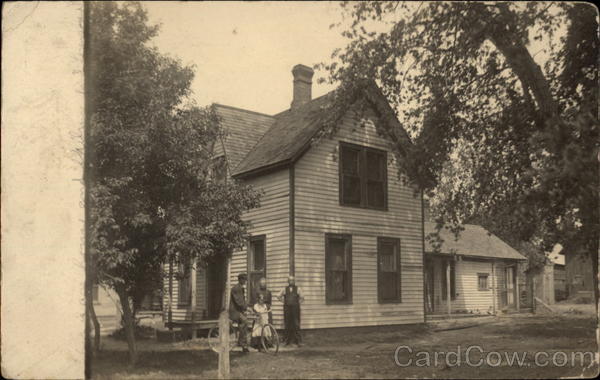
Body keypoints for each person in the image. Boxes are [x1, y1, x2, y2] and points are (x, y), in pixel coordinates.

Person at [277, 275, 304, 346]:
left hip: (295, 309)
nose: (291, 281)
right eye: (290, 280)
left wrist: (298, 303)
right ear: (288, 281)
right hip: (287, 308)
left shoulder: (298, 289)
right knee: (287, 324)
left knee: (296, 324)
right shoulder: (284, 289)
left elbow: (302, 297)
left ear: (294, 281)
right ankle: (286, 341)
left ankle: (298, 341)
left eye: (293, 280)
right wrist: (284, 302)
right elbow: (278, 296)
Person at [229, 273, 251, 353]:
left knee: (245, 321)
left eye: (245, 280)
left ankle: (241, 342)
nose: (245, 281)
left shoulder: (241, 288)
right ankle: (242, 343)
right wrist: (246, 308)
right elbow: (239, 302)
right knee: (244, 321)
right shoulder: (236, 288)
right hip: (234, 311)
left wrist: (247, 307)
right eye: (244, 280)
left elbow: (242, 301)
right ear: (240, 280)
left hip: (238, 310)